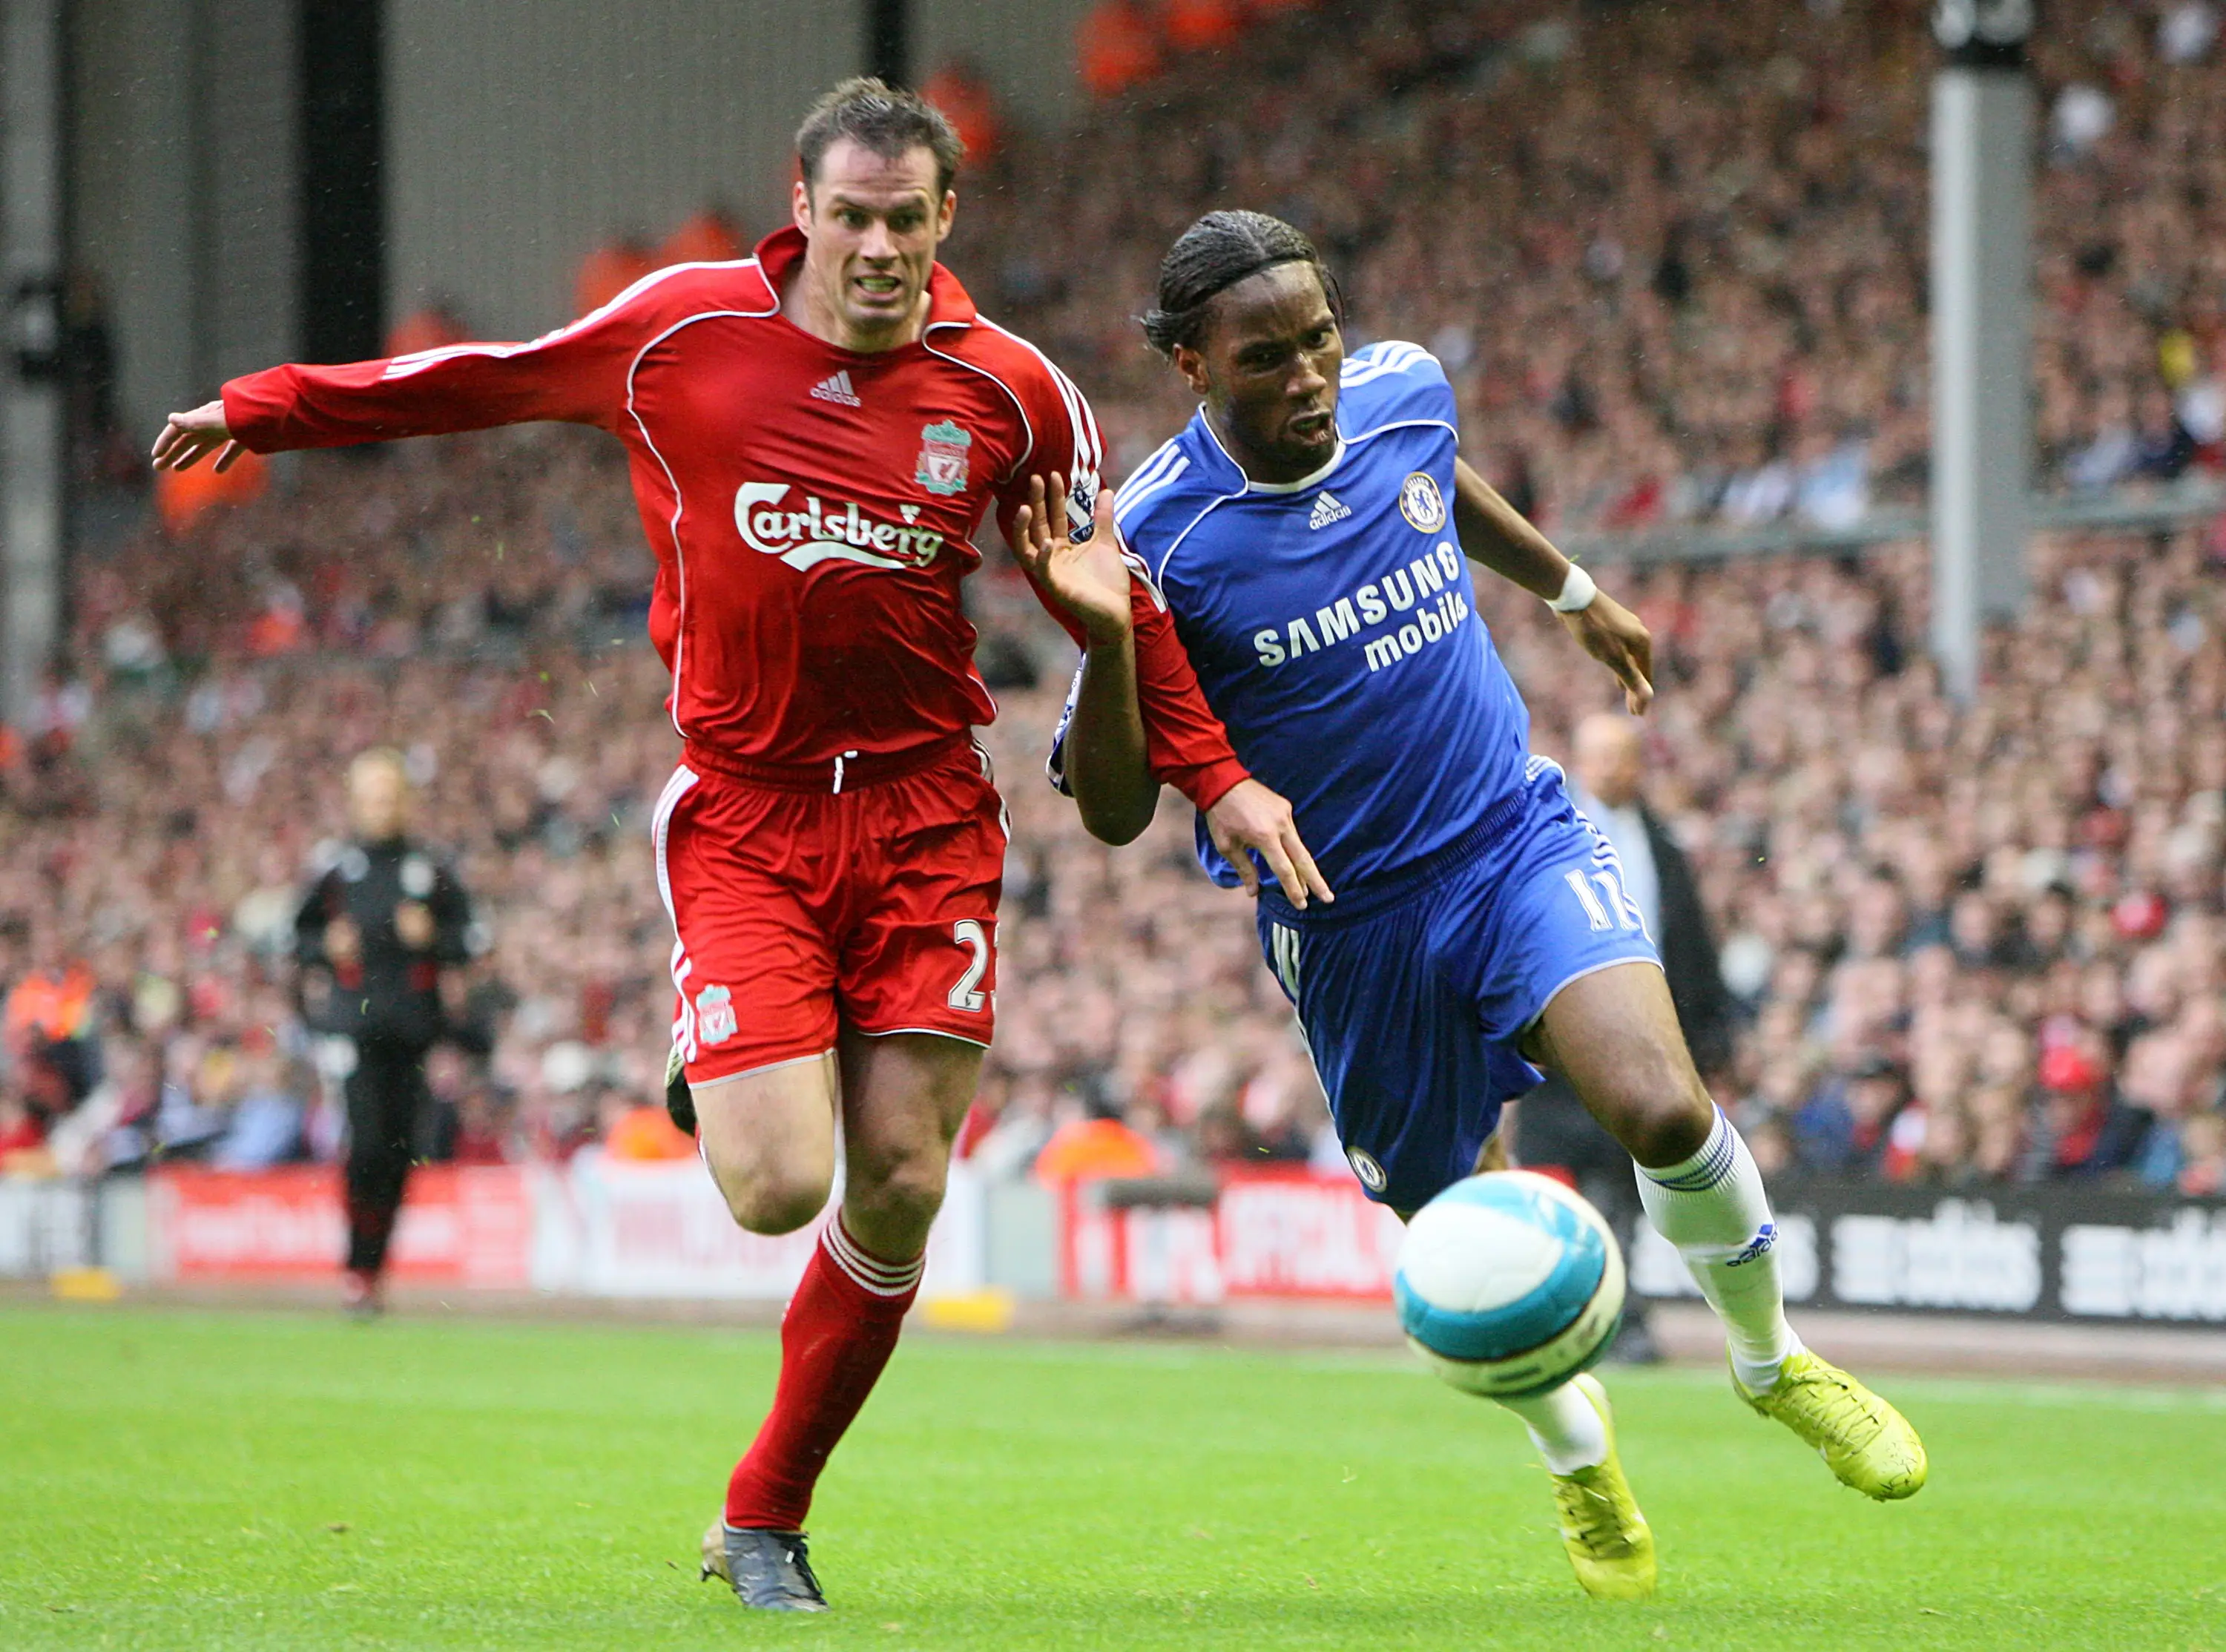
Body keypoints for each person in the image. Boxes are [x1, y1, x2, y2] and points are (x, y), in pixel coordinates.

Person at [154, 80, 1309, 1614]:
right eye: (854, 216)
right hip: (748, 813)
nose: (881, 246)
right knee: (774, 1190)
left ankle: (763, 1513)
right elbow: (484, 380)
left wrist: (1218, 779)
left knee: (897, 1183)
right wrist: (277, 402)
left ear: (944, 220)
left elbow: (1118, 602)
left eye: (909, 219)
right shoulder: (681, 333)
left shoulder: (1016, 395)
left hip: (924, 812)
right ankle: (729, 1048)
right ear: (805, 209)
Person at [1021, 211, 1926, 1604]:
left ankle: (1773, 1363)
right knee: (1466, 1231)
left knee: (1667, 1109)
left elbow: (1438, 480)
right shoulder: (1153, 537)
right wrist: (1104, 639)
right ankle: (1578, 1457)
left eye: (1319, 338)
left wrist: (1571, 587)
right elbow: (1107, 806)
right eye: (1267, 359)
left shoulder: (1401, 390)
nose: (1311, 377)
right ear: (1194, 364)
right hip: (1351, 927)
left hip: (1509, 836)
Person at [1516, 711, 1734, 1363]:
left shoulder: (1661, 846)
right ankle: (1584, 1317)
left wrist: (1711, 1034)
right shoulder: (1545, 835)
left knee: (1627, 1189)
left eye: (1621, 756)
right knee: (1568, 1189)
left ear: (1639, 764)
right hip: (1560, 1050)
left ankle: (1608, 1315)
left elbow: (1689, 944)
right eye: (1599, 756)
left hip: (1646, 1046)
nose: (1611, 769)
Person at [294, 749, 479, 1315]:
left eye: (391, 793)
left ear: (407, 799)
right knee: (368, 1141)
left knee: (401, 1151)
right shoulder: (335, 867)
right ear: (356, 802)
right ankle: (358, 1267)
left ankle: (372, 1271)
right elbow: (296, 938)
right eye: (373, 795)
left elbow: (468, 939)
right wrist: (325, 948)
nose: (383, 805)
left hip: (414, 1031)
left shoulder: (432, 866)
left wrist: (432, 937)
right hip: (355, 1029)